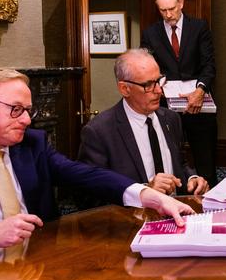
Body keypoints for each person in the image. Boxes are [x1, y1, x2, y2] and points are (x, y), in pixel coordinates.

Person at [0, 68, 194, 280]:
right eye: (16, 109)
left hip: (39, 265)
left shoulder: (32, 144)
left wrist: (148, 195)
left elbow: (85, 175)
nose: (27, 120)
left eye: (28, 110)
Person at [78, 49, 209, 196]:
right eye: (148, 85)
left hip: (177, 213)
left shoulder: (171, 119)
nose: (159, 90)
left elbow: (180, 163)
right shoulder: (99, 131)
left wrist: (192, 178)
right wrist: (143, 191)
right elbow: (89, 195)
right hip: (133, 217)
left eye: (160, 81)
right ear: (125, 89)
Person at [141, 0, 218, 186]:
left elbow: (209, 65)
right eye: (163, 10)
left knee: (205, 157)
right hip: (167, 106)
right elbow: (148, 66)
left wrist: (200, 91)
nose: (168, 15)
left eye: (172, 9)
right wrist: (160, 81)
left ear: (181, 3)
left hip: (199, 103)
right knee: (171, 154)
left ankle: (209, 200)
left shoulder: (199, 27)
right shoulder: (150, 34)